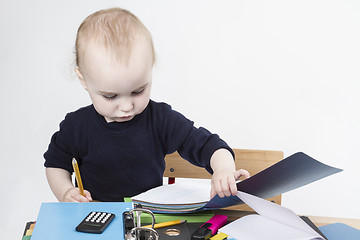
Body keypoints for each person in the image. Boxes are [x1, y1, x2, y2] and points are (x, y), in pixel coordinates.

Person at [44, 7, 250, 202]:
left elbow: (208, 145)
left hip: (148, 218)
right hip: (96, 215)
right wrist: (65, 192)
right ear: (84, 80)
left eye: (138, 91)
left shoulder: (160, 119)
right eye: (110, 96)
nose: (126, 106)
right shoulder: (76, 126)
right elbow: (55, 165)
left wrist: (223, 168)